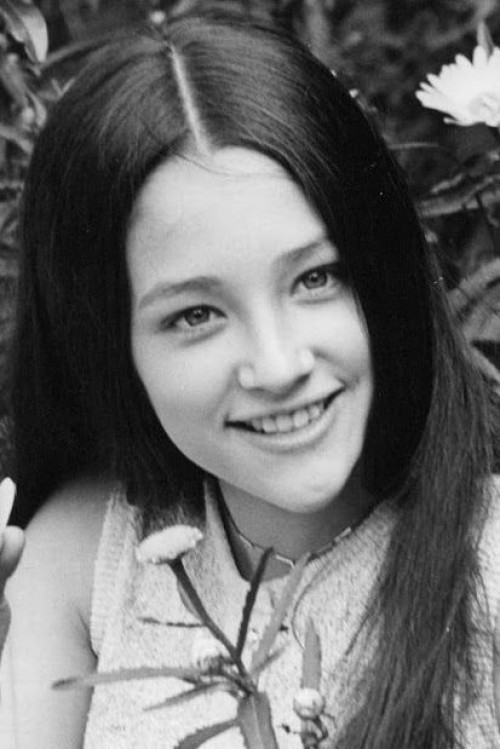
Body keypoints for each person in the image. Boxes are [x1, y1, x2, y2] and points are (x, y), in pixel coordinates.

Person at [1, 10, 499, 748]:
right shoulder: (82, 552)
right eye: (196, 315)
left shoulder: (487, 558)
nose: (278, 365)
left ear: (384, 267)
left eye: (316, 277)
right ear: (108, 347)